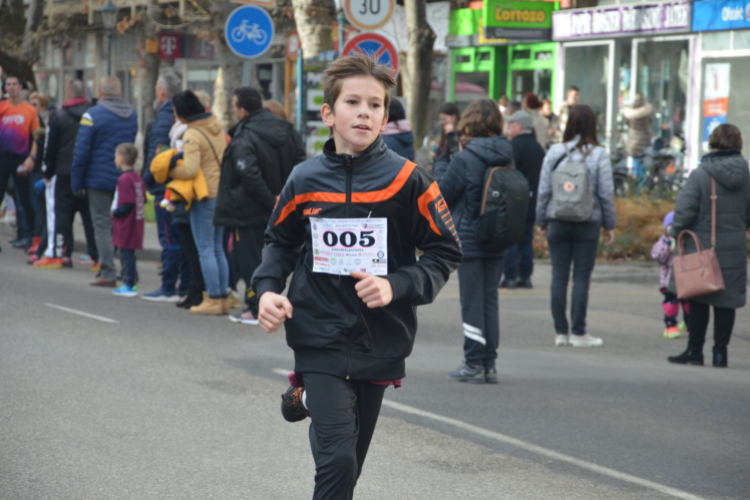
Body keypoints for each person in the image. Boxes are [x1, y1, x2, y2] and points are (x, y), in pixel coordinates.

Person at [252, 55, 462, 499]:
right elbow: (279, 243)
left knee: (350, 466)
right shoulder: (304, 179)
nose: (364, 111)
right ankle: (314, 390)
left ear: (386, 117)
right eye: (353, 101)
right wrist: (268, 291)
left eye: (375, 104)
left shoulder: (409, 180)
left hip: (379, 337)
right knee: (337, 459)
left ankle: (305, 398)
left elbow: (445, 251)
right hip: (317, 333)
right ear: (329, 113)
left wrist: (395, 285)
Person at [434, 99, 511, 384]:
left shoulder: (464, 158)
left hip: (469, 237)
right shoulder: (506, 154)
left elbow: (441, 195)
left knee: (471, 301)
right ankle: (489, 363)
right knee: (490, 299)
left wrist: (441, 160)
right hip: (498, 236)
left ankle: (472, 362)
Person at [214, 86, 305, 325]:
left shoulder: (245, 135)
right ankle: (261, 304)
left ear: (242, 111)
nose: (233, 111)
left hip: (249, 210)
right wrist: (285, 197)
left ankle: (256, 307)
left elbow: (249, 174)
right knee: (274, 256)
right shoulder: (288, 130)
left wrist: (272, 199)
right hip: (283, 207)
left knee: (250, 259)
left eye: (234, 107)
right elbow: (301, 165)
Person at [667, 124, 750, 368]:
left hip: (702, 245)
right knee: (727, 301)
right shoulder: (745, 175)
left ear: (713, 144)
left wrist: (674, 233)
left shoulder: (701, 174)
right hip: (734, 247)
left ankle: (695, 352)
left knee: (699, 297)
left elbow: (684, 210)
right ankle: (720, 354)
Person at [536, 104, 617, 348]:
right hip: (587, 223)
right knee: (581, 278)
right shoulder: (599, 154)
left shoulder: (555, 151)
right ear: (593, 125)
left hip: (558, 221)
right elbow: (605, 194)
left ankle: (561, 332)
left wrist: (542, 220)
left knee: (558, 277)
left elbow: (543, 191)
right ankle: (579, 333)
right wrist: (610, 224)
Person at [71, 76, 138, 287]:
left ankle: (107, 271)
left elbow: (81, 153)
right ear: (119, 93)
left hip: (98, 179)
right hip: (125, 177)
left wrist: (76, 182)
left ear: (99, 93)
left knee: (101, 224)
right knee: (124, 224)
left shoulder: (91, 115)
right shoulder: (132, 114)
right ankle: (128, 271)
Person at [169, 89, 229, 315]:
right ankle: (222, 297)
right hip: (220, 193)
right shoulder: (215, 126)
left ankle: (213, 298)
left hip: (204, 196)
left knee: (204, 248)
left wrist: (168, 170)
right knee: (217, 247)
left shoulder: (192, 134)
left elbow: (190, 169)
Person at [34, 79, 98, 270]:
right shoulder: (92, 115)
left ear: (68, 94)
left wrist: (47, 172)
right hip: (87, 173)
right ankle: (97, 256)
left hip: (63, 172)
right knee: (89, 216)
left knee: (60, 214)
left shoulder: (58, 116)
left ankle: (61, 254)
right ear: (84, 95)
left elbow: (50, 147)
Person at [141, 70, 185, 303]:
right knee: (178, 238)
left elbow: (156, 153)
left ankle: (169, 287)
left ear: (160, 91)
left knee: (169, 239)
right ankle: (183, 285)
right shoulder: (182, 113)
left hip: (165, 188)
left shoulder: (164, 115)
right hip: (180, 186)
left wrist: (147, 180)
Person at [500, 111, 545, 289]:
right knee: (526, 239)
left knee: (511, 238)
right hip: (532, 199)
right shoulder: (537, 147)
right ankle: (526, 276)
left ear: (519, 126)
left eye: (511, 124)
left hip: (514, 199)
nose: (509, 127)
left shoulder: (514, 146)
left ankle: (510, 275)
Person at [0, 75, 40, 250]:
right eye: (8, 85)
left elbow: (37, 137)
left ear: (20, 87)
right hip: (2, 157)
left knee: (23, 199)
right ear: (5, 88)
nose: (12, 87)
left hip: (21, 157)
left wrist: (31, 157)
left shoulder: (30, 110)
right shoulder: (2, 107)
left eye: (15, 84)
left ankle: (30, 236)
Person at [110, 143, 146, 297]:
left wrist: (116, 213)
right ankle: (131, 281)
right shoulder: (137, 177)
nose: (114, 159)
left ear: (122, 159)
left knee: (126, 254)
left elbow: (127, 202)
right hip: (137, 221)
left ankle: (129, 284)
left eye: (116, 156)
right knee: (129, 253)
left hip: (126, 223)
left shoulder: (124, 179)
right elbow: (142, 199)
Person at [651, 211, 689, 339]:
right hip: (669, 281)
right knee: (671, 304)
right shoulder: (663, 242)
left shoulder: (686, 240)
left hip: (685, 280)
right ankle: (670, 325)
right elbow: (657, 256)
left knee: (689, 304)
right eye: (671, 226)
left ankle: (688, 323)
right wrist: (668, 247)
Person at [621, 92, 653, 178]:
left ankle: (635, 182)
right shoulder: (646, 110)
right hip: (644, 140)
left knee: (635, 161)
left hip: (633, 142)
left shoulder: (630, 111)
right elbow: (650, 121)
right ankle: (642, 182)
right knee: (644, 162)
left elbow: (628, 123)